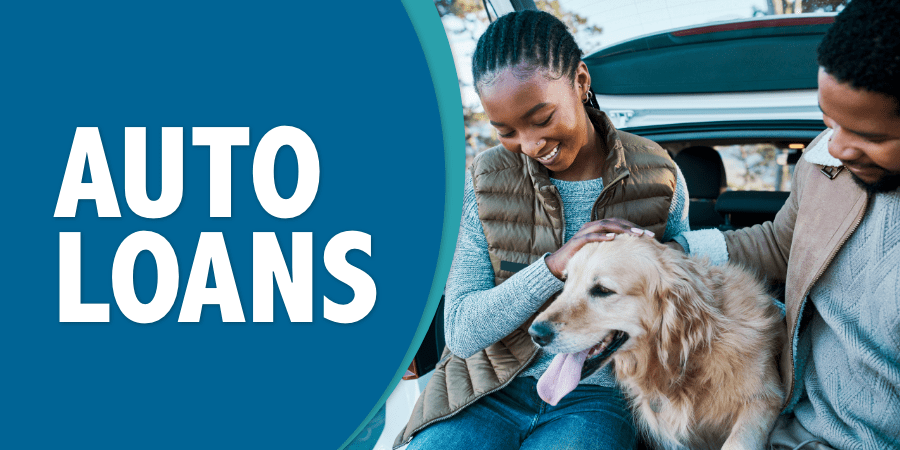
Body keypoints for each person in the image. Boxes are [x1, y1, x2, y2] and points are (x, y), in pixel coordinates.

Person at [395, 10, 691, 450]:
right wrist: (553, 267)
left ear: (581, 81)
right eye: (507, 131)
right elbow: (460, 330)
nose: (531, 145)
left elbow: (680, 304)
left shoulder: (658, 177)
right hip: (483, 391)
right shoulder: (485, 181)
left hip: (597, 396)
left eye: (541, 117)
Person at [672, 1, 900, 448]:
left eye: (871, 138)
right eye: (828, 121)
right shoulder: (823, 163)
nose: (838, 147)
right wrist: (674, 251)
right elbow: (782, 243)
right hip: (791, 429)